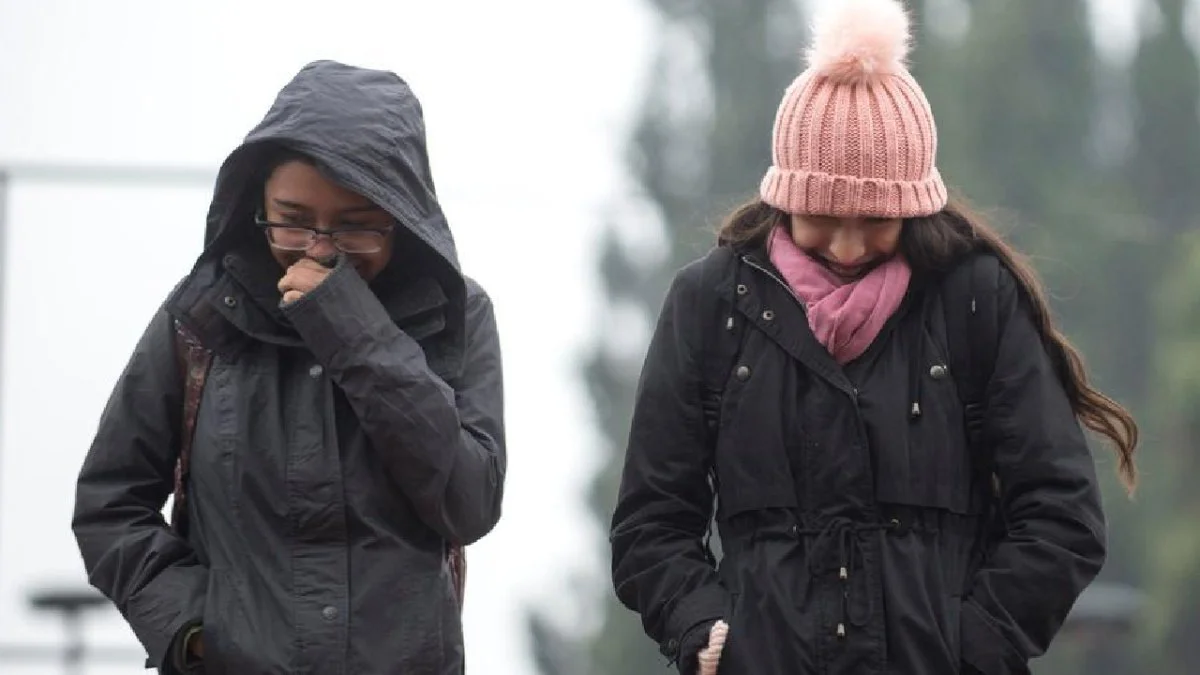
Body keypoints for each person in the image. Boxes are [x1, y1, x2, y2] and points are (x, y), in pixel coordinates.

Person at [608, 1, 1139, 674]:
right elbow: (650, 522)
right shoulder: (710, 304)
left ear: (916, 206)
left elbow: (1062, 513)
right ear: (785, 196)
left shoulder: (975, 299)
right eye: (824, 216)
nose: (850, 245)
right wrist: (704, 627)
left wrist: (975, 644)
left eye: (877, 220)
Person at [72, 60, 506, 675]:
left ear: (401, 217)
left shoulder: (455, 317)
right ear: (257, 200)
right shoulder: (200, 316)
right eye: (293, 219)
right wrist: (195, 630)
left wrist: (355, 333)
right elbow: (109, 503)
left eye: (356, 227)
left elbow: (469, 501)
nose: (319, 249)